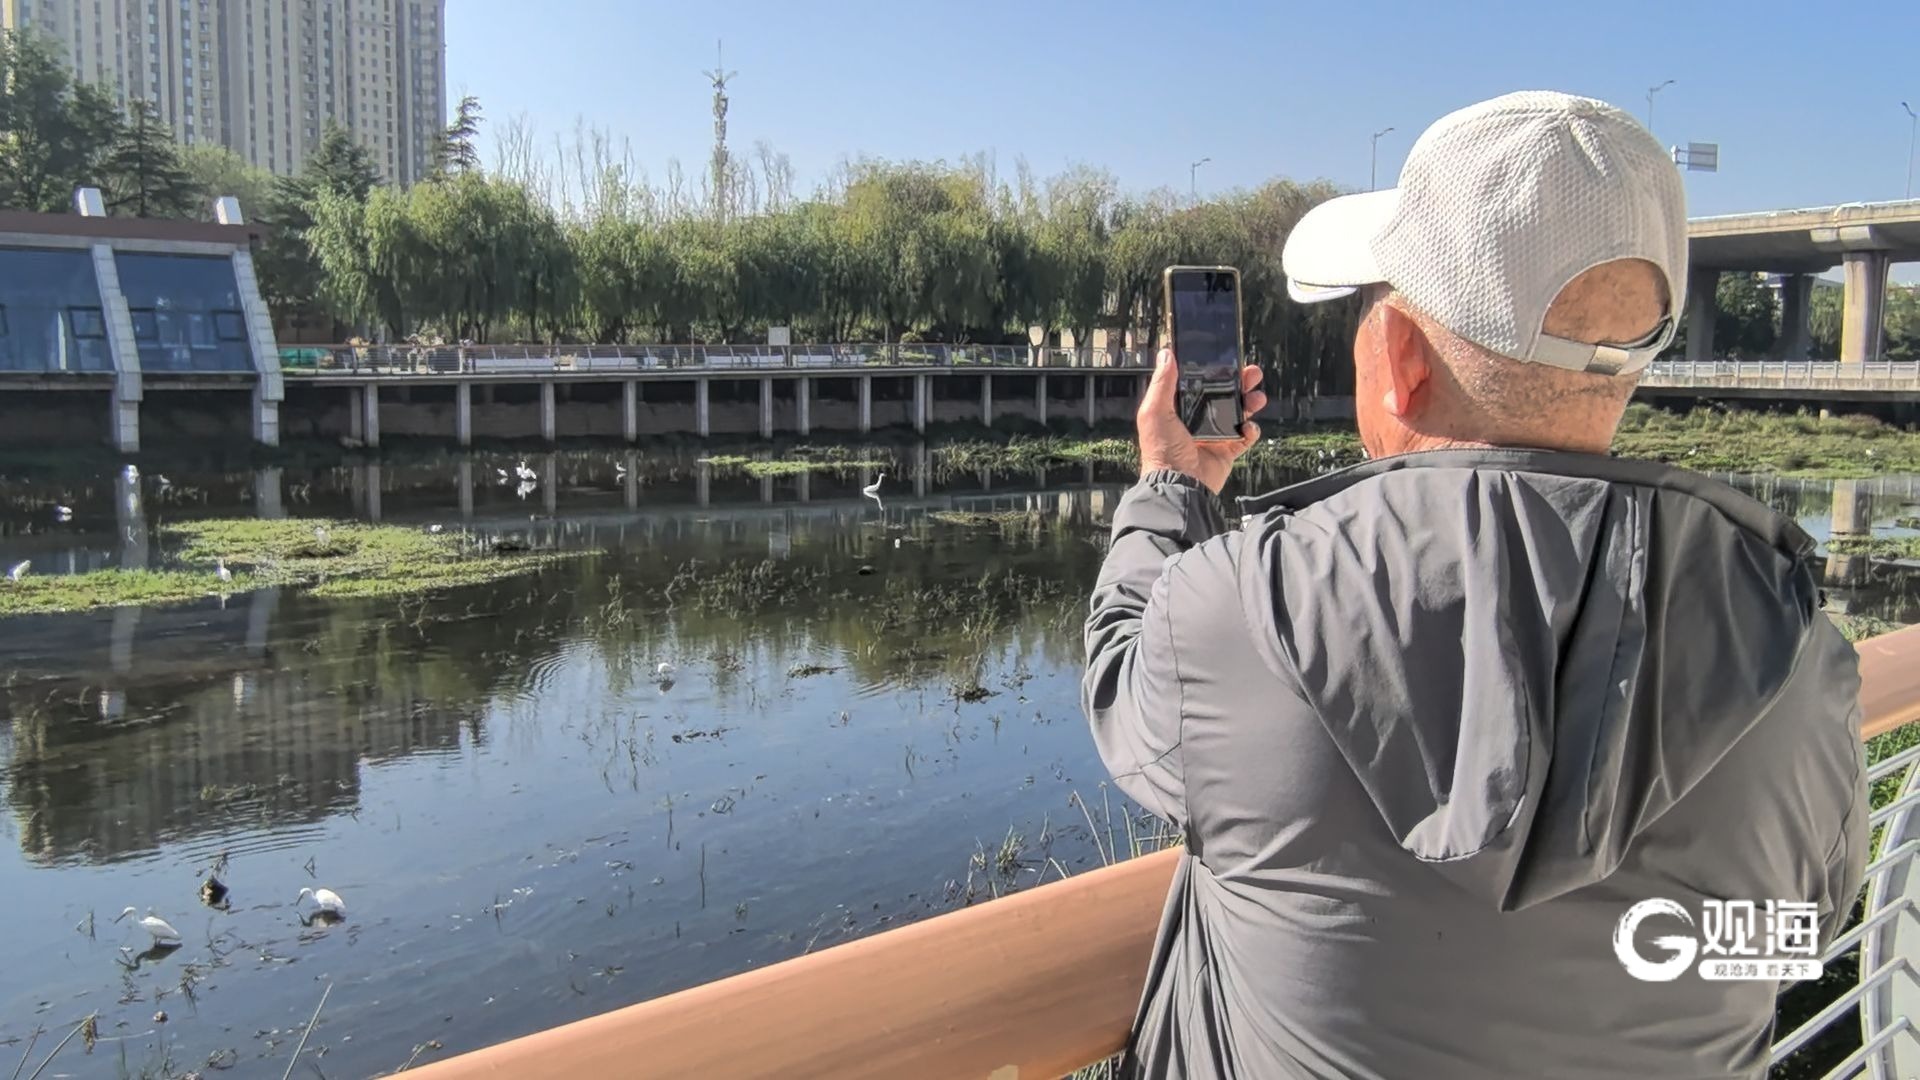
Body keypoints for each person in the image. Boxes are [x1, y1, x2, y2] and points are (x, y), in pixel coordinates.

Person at [1083, 91, 1868, 1080]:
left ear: (1400, 359)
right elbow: (1801, 925)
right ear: (1626, 364)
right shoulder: (1795, 647)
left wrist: (1172, 486)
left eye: (1374, 312)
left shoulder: (1241, 605)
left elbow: (1122, 691)